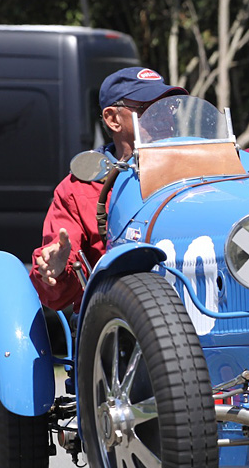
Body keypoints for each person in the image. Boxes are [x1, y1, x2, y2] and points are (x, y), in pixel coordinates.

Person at [30, 67, 186, 310]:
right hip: (117, 320)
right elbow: (57, 296)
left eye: (168, 107)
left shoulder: (198, 171)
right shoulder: (77, 190)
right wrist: (56, 268)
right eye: (148, 109)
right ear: (113, 119)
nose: (164, 117)